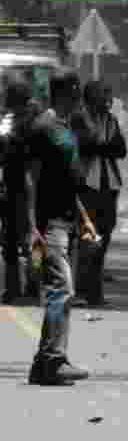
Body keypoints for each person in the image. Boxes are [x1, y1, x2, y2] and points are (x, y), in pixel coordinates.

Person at [27, 68, 98, 386]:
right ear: (68, 92)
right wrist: (32, 226)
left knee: (59, 289)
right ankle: (54, 360)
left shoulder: (64, 127)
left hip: (65, 219)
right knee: (62, 289)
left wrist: (84, 219)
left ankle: (44, 364)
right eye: (77, 92)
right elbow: (30, 178)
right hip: (48, 223)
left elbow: (66, 183)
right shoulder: (43, 127)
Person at [72, 80, 127, 308]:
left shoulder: (111, 121)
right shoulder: (79, 119)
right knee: (88, 238)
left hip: (109, 186)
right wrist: (103, 146)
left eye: (108, 94)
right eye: (103, 94)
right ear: (90, 98)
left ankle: (95, 292)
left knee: (104, 236)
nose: (108, 99)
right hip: (87, 185)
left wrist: (99, 145)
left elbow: (120, 149)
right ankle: (83, 291)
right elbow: (84, 147)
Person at [1, 74, 37, 304]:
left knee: (16, 240)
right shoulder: (34, 121)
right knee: (25, 240)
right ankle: (29, 286)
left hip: (20, 186)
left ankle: (17, 288)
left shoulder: (14, 123)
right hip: (24, 186)